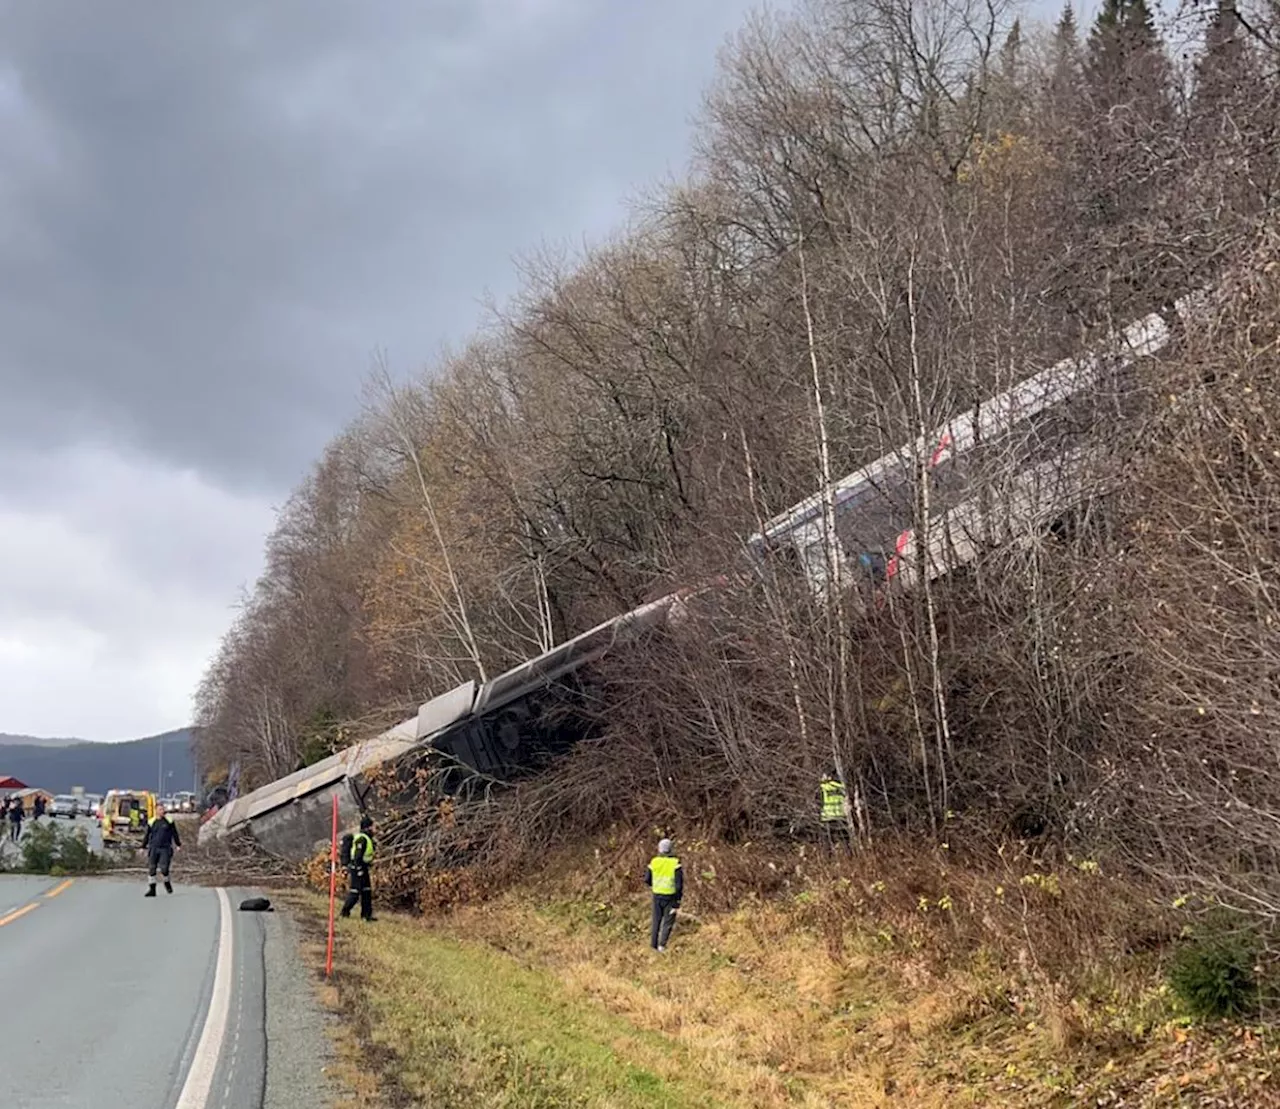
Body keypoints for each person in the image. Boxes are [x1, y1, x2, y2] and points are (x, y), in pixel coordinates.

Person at [645, 838, 683, 952]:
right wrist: (678, 900)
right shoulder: (675, 864)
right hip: (670, 897)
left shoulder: (654, 862)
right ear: (671, 849)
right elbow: (679, 885)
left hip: (657, 895)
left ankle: (653, 945)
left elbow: (647, 879)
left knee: (656, 920)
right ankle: (662, 946)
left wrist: (654, 886)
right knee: (667, 921)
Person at [340, 815, 376, 922]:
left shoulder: (368, 838)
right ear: (368, 827)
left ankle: (366, 915)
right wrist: (359, 869)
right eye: (373, 827)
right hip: (357, 868)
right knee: (355, 892)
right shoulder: (362, 839)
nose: (375, 829)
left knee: (366, 891)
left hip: (363, 867)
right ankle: (345, 912)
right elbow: (357, 855)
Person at [141, 802, 181, 896]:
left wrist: (178, 844)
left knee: (164, 868)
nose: (162, 811)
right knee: (152, 868)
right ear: (156, 811)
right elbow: (147, 835)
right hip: (154, 847)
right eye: (160, 809)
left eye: (163, 809)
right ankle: (152, 889)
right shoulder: (151, 822)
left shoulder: (169, 821)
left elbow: (175, 833)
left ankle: (167, 882)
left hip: (165, 848)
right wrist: (143, 847)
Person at [818, 771, 848, 847]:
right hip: (841, 816)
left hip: (828, 818)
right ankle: (850, 855)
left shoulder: (823, 788)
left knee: (828, 842)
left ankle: (829, 856)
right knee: (845, 840)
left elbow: (819, 802)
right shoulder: (842, 787)